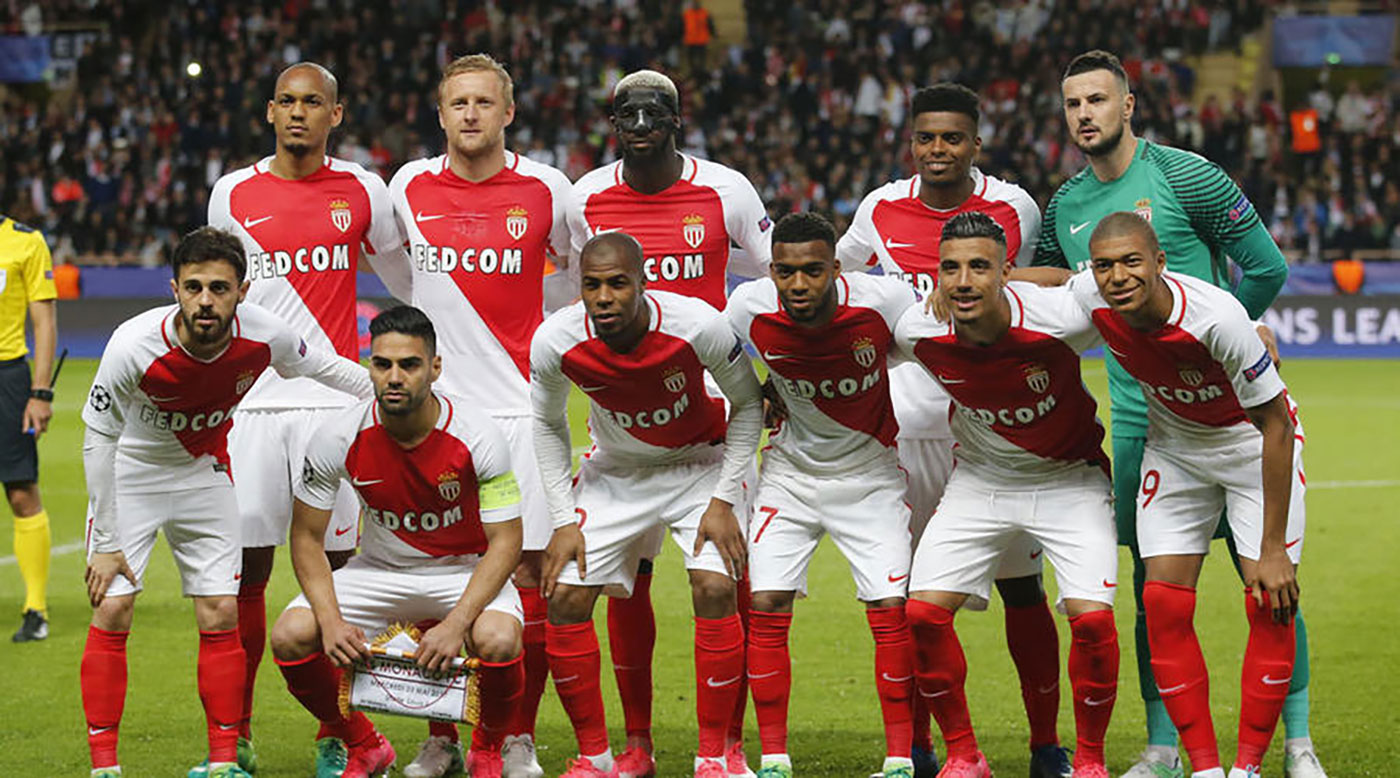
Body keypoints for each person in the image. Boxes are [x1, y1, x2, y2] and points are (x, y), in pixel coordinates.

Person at [1033, 50, 1324, 778]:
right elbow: (1054, 288)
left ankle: (1296, 742)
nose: (1085, 114)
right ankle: (1165, 747)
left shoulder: (1186, 175)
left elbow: (1267, 267)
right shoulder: (1066, 206)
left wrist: (1229, 341)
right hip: (1146, 424)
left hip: (1233, 409)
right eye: (1073, 104)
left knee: (1269, 579)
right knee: (1153, 590)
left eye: (1098, 99)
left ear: (1127, 105)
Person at [836, 83, 1070, 778]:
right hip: (907, 430)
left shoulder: (1014, 206)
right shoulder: (880, 207)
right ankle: (919, 747)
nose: (938, 150)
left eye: (952, 138)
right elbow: (840, 284)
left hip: (996, 429)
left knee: (1022, 588)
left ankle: (1046, 746)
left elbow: (1040, 282)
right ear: (912, 142)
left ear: (976, 144)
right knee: (911, 600)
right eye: (926, 138)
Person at [79, 226, 373, 778]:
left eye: (219, 288)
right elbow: (99, 438)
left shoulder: (265, 333)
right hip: (131, 477)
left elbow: (322, 366)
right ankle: (104, 767)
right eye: (194, 287)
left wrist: (386, 389)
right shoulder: (132, 343)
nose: (205, 301)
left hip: (203, 476)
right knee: (113, 607)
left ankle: (224, 761)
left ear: (242, 291)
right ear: (174, 289)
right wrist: (107, 542)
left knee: (220, 611)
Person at [568, 67, 773, 778]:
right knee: (625, 584)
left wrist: (772, 372)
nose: (641, 126)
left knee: (722, 581)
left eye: (654, 114)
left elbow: (777, 279)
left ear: (677, 120)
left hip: (710, 423)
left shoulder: (727, 190)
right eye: (627, 114)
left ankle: (727, 746)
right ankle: (637, 746)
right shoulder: (586, 197)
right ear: (611, 123)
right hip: (623, 423)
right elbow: (572, 293)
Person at [207, 61, 409, 771]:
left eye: (313, 102)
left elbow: (405, 277)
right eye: (287, 101)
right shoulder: (232, 191)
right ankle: (236, 734)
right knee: (244, 575)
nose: (299, 112)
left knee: (342, 575)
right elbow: (219, 294)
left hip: (334, 406)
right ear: (270, 111)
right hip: (254, 406)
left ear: (335, 114)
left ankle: (339, 732)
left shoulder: (364, 189)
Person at [388, 52, 574, 778]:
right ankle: (441, 737)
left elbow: (573, 276)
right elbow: (400, 276)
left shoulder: (547, 188)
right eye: (458, 103)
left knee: (528, 577)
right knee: (437, 572)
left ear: (508, 112)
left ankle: (515, 736)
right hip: (437, 419)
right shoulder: (409, 185)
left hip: (521, 413)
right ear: (441, 115)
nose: (470, 113)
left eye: (483, 102)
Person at [1070, 212, 1304, 778]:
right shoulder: (1091, 294)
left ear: (1160, 263)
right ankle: (1203, 768)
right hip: (1175, 448)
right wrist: (994, 277)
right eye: (1104, 265)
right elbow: (1052, 283)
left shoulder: (1217, 318)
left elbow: (1276, 425)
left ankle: (1247, 767)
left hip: (1249, 445)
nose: (1118, 276)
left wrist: (1273, 548)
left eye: (1131, 262)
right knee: (1162, 603)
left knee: (1270, 601)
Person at [895, 212, 1120, 778]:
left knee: (1093, 623)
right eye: (951, 269)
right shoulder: (918, 330)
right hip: (981, 480)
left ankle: (1088, 762)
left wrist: (1251, 327)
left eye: (979, 267)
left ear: (1006, 272)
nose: (963, 281)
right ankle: (964, 755)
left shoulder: (1062, 319)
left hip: (1069, 480)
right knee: (922, 613)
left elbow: (1118, 284)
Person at [531, 232, 763, 778]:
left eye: (618, 284)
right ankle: (598, 757)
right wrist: (562, 520)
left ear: (643, 283)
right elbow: (545, 423)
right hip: (617, 471)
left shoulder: (697, 324)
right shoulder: (556, 339)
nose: (604, 297)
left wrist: (723, 499)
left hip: (699, 463)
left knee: (714, 586)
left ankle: (714, 757)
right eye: (592, 285)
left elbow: (748, 403)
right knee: (564, 596)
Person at [269, 305, 527, 778]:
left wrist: (456, 624)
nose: (393, 377)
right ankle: (364, 744)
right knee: (291, 636)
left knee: (499, 638)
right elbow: (305, 537)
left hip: (463, 569)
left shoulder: (477, 434)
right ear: (369, 365)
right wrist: (331, 621)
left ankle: (487, 750)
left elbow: (507, 542)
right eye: (382, 364)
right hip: (379, 570)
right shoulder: (337, 435)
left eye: (409, 365)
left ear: (435, 367)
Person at [726, 212, 917, 778]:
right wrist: (761, 388)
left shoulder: (885, 302)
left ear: (837, 268)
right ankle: (775, 759)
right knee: (766, 603)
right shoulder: (748, 308)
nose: (798, 284)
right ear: (771, 272)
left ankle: (900, 759)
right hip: (790, 478)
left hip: (871, 477)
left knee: (889, 608)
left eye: (812, 271)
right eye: (785, 272)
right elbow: (717, 362)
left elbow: (923, 346)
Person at [0, 213, 56, 643]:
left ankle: (35, 608)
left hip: (7, 378)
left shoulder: (25, 241)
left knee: (21, 492)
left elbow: (44, 322)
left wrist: (40, 392)